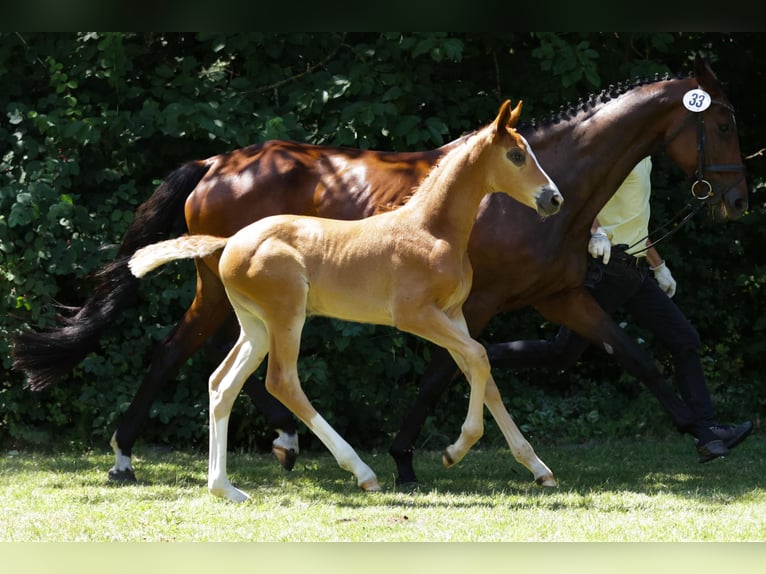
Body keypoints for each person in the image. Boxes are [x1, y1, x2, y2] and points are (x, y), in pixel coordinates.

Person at [487, 156, 753, 462]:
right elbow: (579, 196)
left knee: (685, 339)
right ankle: (480, 357)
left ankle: (709, 430)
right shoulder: (622, 152)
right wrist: (596, 231)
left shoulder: (645, 159)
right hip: (608, 269)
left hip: (637, 273)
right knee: (561, 352)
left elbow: (634, 222)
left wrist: (659, 265)